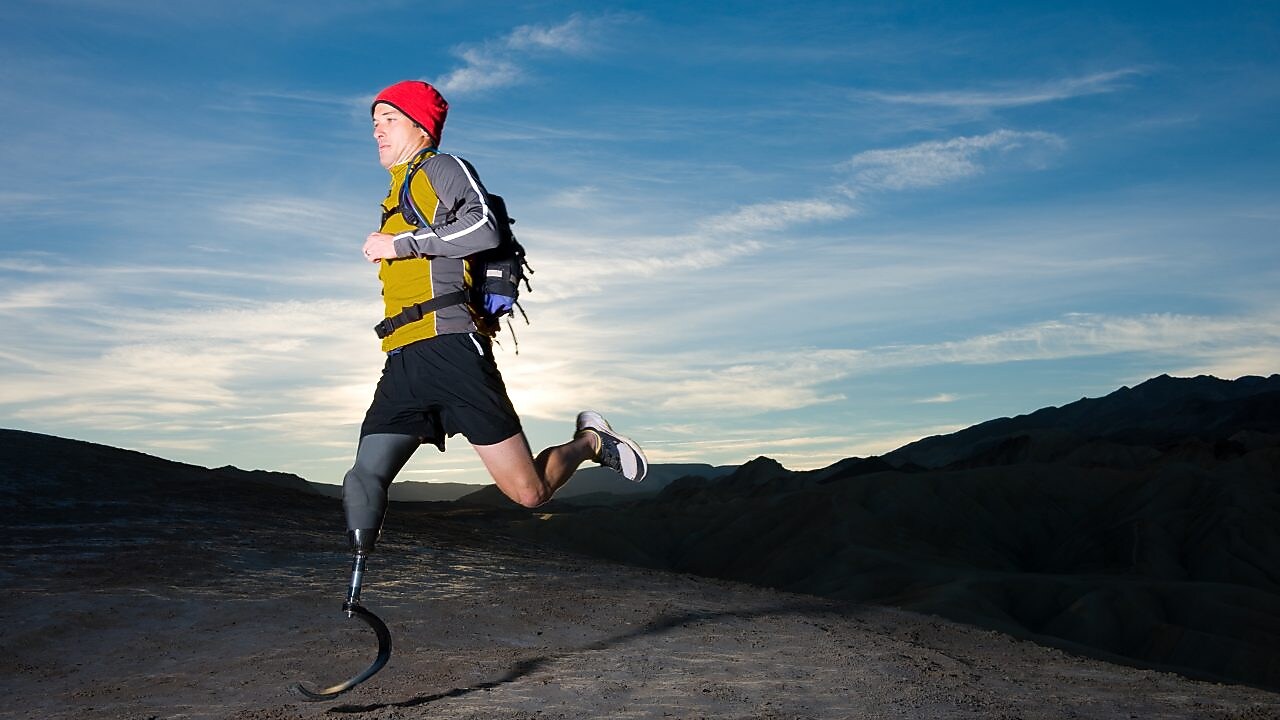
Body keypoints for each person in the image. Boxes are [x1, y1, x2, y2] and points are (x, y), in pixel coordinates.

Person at [343, 80, 647, 555]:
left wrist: (398, 244)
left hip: (450, 348)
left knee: (530, 493)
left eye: (390, 119)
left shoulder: (440, 167)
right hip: (402, 358)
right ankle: (355, 591)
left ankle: (590, 442)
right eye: (374, 122)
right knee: (364, 476)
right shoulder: (396, 191)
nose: (377, 130)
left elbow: (485, 227)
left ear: (421, 126)